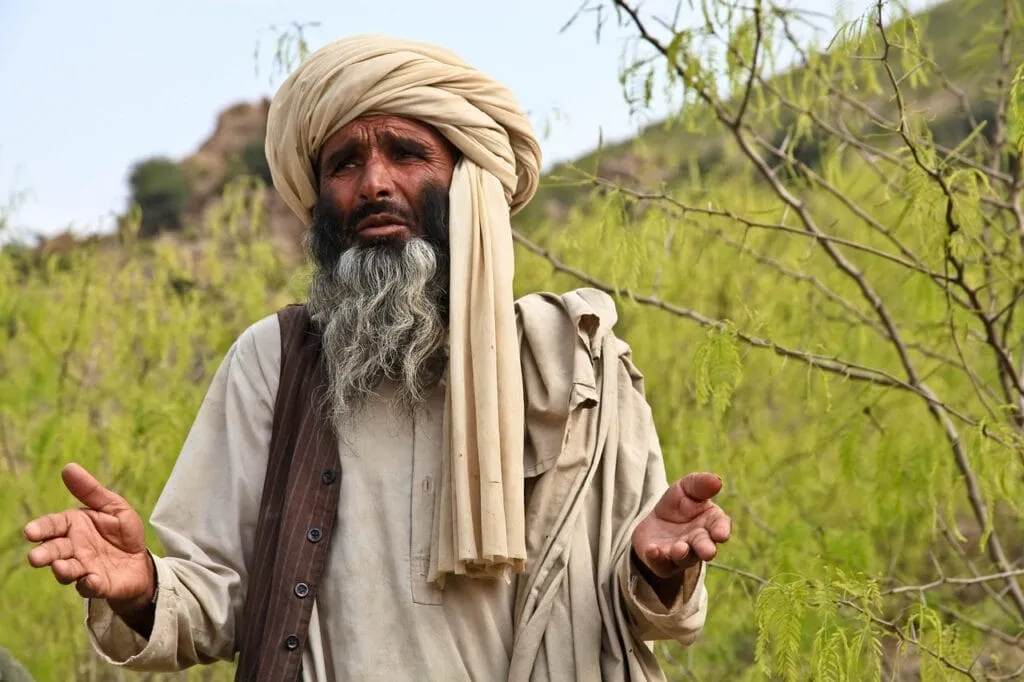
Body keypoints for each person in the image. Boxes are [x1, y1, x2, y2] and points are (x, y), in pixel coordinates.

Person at [23, 35, 732, 682]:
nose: (373, 185)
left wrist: (655, 566)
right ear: (318, 201)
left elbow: (648, 611)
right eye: (345, 164)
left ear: (469, 182)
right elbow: (217, 594)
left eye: (406, 153)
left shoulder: (573, 361)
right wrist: (144, 586)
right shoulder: (274, 361)